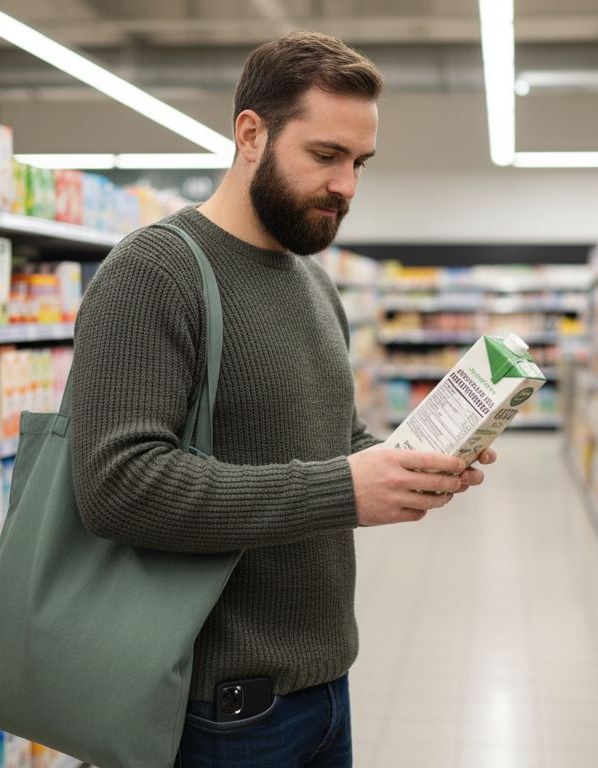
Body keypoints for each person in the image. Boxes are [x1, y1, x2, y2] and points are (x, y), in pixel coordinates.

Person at [69, 31, 497, 767]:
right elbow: (117, 487)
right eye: (326, 156)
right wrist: (344, 488)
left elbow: (332, 444)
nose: (347, 187)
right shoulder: (154, 272)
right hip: (216, 707)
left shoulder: (313, 282)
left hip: (325, 687)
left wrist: (412, 461)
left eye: (359, 163)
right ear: (250, 134)